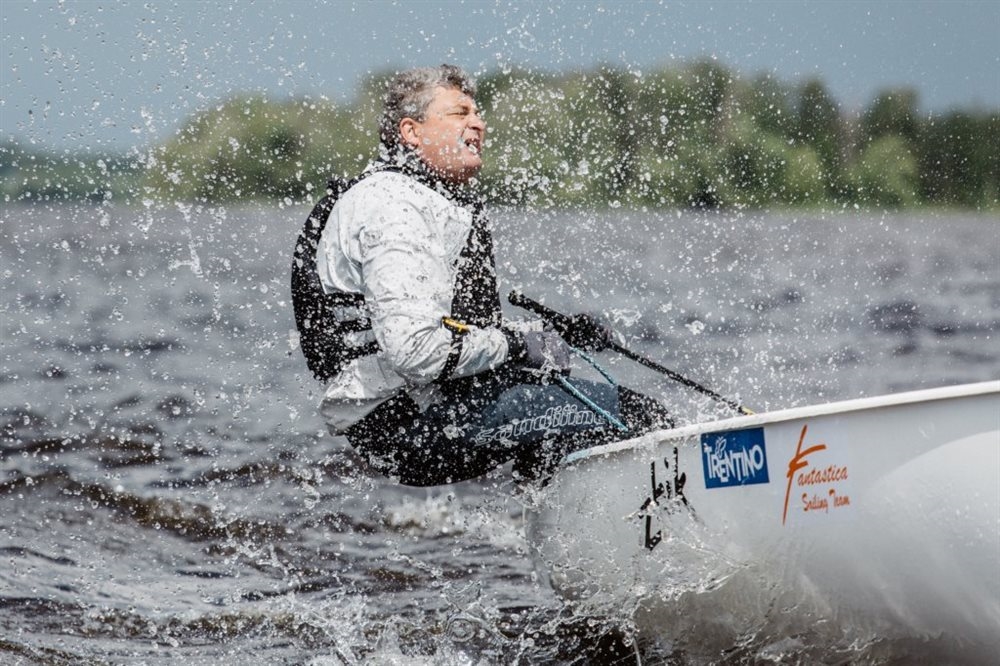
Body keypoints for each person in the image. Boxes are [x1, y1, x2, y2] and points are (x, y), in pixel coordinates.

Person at [293, 64, 671, 486]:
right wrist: (519, 346)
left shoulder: (419, 197)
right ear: (411, 132)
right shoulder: (393, 207)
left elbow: (452, 330)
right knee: (642, 417)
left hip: (415, 410)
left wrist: (550, 336)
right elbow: (414, 352)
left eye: (477, 113)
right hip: (410, 426)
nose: (478, 123)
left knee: (567, 422)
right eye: (459, 113)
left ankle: (554, 519)